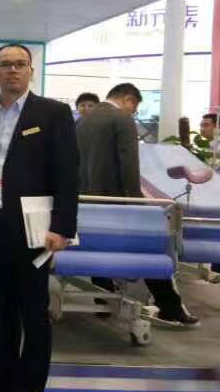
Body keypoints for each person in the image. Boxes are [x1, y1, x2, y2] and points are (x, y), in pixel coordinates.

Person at [0, 43, 79, 392]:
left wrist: (63, 227)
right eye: (4, 65)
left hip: (35, 231)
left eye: (19, 64)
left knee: (34, 317)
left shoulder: (53, 114)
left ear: (31, 70)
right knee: (1, 313)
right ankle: (1, 383)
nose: (12, 70)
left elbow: (68, 174)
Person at [76, 83, 199, 326]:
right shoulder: (122, 119)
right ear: (128, 100)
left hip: (85, 202)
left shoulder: (81, 122)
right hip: (117, 201)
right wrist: (137, 203)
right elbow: (129, 165)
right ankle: (170, 308)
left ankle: (103, 300)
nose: (133, 112)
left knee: (98, 247)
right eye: (134, 108)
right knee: (149, 248)